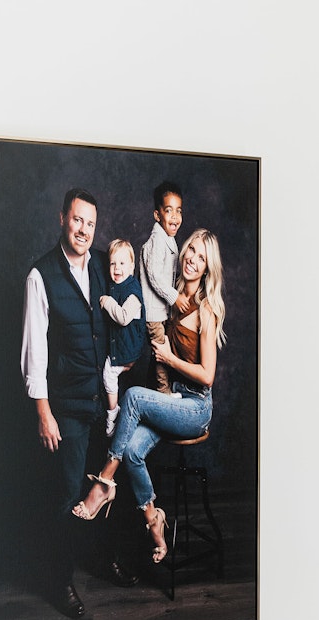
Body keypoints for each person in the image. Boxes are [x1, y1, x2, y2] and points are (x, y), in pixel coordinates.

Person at [72, 228, 226, 564]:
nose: (192, 259)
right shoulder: (168, 296)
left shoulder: (206, 310)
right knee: (132, 451)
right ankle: (154, 519)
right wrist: (125, 361)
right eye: (191, 251)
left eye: (201, 257)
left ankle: (104, 482)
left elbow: (207, 376)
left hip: (195, 407)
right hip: (171, 398)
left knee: (133, 399)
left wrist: (169, 359)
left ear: (206, 268)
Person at [21, 188, 138, 619]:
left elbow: (130, 308)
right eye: (76, 220)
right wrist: (43, 411)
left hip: (102, 400)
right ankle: (60, 579)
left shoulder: (107, 264)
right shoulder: (41, 274)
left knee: (106, 486)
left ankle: (103, 556)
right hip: (66, 404)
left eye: (90, 222)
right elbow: (35, 350)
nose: (84, 229)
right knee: (68, 492)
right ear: (61, 219)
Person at [139, 180, 190, 395]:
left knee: (163, 350)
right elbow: (154, 275)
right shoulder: (158, 239)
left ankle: (161, 391)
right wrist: (175, 297)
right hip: (153, 312)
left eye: (178, 211)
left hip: (161, 312)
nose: (175, 217)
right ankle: (164, 394)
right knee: (161, 353)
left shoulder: (169, 239)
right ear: (157, 215)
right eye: (168, 211)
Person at [100, 238, 146, 437]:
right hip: (122, 344)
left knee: (108, 374)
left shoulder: (133, 291)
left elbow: (124, 317)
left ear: (132, 266)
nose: (117, 268)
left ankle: (113, 413)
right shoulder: (116, 284)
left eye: (122, 263)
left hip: (129, 350)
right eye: (112, 263)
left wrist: (107, 302)